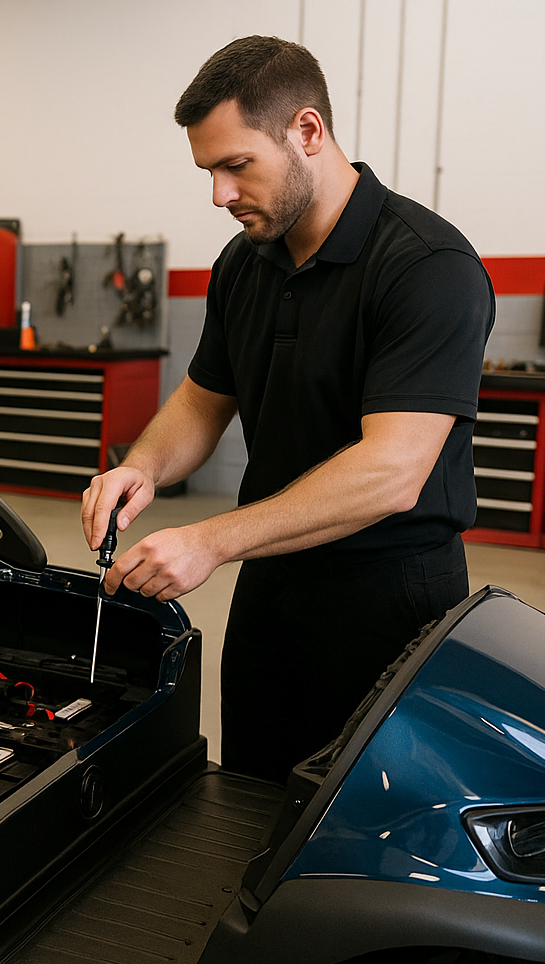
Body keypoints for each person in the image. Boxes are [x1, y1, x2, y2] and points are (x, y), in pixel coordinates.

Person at [80, 35, 493, 783]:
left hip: (388, 603)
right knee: (252, 799)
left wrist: (210, 541)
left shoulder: (428, 267)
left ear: (307, 132)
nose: (220, 195)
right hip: (272, 589)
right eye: (209, 171)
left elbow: (394, 471)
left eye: (237, 166)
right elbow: (202, 404)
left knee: (363, 826)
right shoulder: (244, 264)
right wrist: (138, 468)